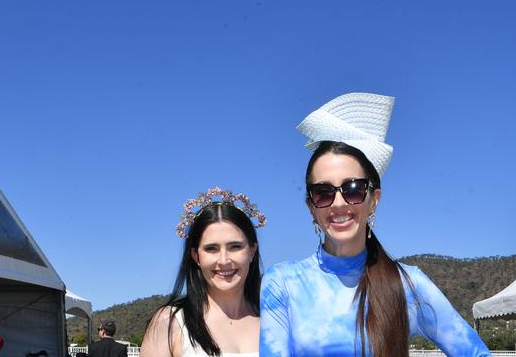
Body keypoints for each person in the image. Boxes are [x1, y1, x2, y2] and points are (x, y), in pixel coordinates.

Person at [260, 93, 491, 357]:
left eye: (353, 189)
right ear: (311, 207)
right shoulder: (283, 283)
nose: (338, 203)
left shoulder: (409, 284)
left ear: (374, 200)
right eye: (323, 192)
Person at [141, 187, 265, 357]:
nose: (224, 260)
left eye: (235, 246)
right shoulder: (170, 323)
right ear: (196, 256)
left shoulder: (275, 319)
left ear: (252, 250)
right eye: (211, 248)